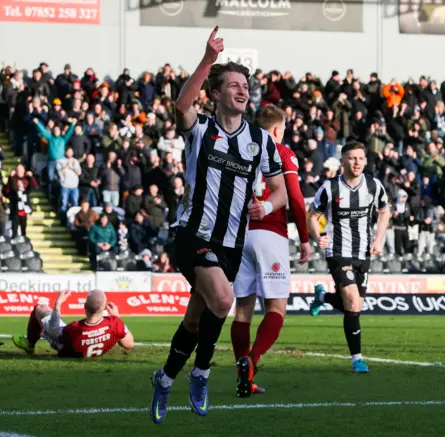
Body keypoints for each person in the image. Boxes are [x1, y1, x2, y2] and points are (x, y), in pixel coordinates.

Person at [150, 26, 287, 424]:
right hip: (193, 234)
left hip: (230, 244)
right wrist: (208, 59)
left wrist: (267, 206)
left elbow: (278, 191)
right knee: (225, 301)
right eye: (233, 85)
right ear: (216, 93)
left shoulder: (260, 140)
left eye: (245, 85)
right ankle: (202, 372)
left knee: (196, 320)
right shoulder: (201, 128)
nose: (242, 91)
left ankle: (163, 378)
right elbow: (180, 105)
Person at [230, 104, 312, 397]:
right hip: (271, 234)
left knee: (242, 310)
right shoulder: (282, 151)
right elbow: (295, 198)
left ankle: (244, 378)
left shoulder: (241, 149)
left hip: (240, 236)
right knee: (276, 308)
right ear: (277, 129)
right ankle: (250, 362)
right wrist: (304, 238)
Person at [308, 141, 391, 373]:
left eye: (360, 158)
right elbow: (312, 217)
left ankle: (323, 297)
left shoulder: (374, 185)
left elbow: (384, 212)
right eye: (352, 158)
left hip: (364, 252)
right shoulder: (330, 188)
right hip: (338, 251)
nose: (356, 163)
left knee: (353, 307)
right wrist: (318, 237)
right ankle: (357, 359)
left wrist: (378, 239)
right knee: (353, 302)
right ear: (342, 161)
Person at [12, 289, 134, 357]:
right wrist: (117, 317)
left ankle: (29, 344)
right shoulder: (115, 323)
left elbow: (54, 330)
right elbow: (129, 344)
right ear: (104, 308)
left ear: (84, 306)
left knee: (40, 309)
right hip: (95, 349)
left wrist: (58, 303)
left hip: (67, 348)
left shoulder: (74, 329)